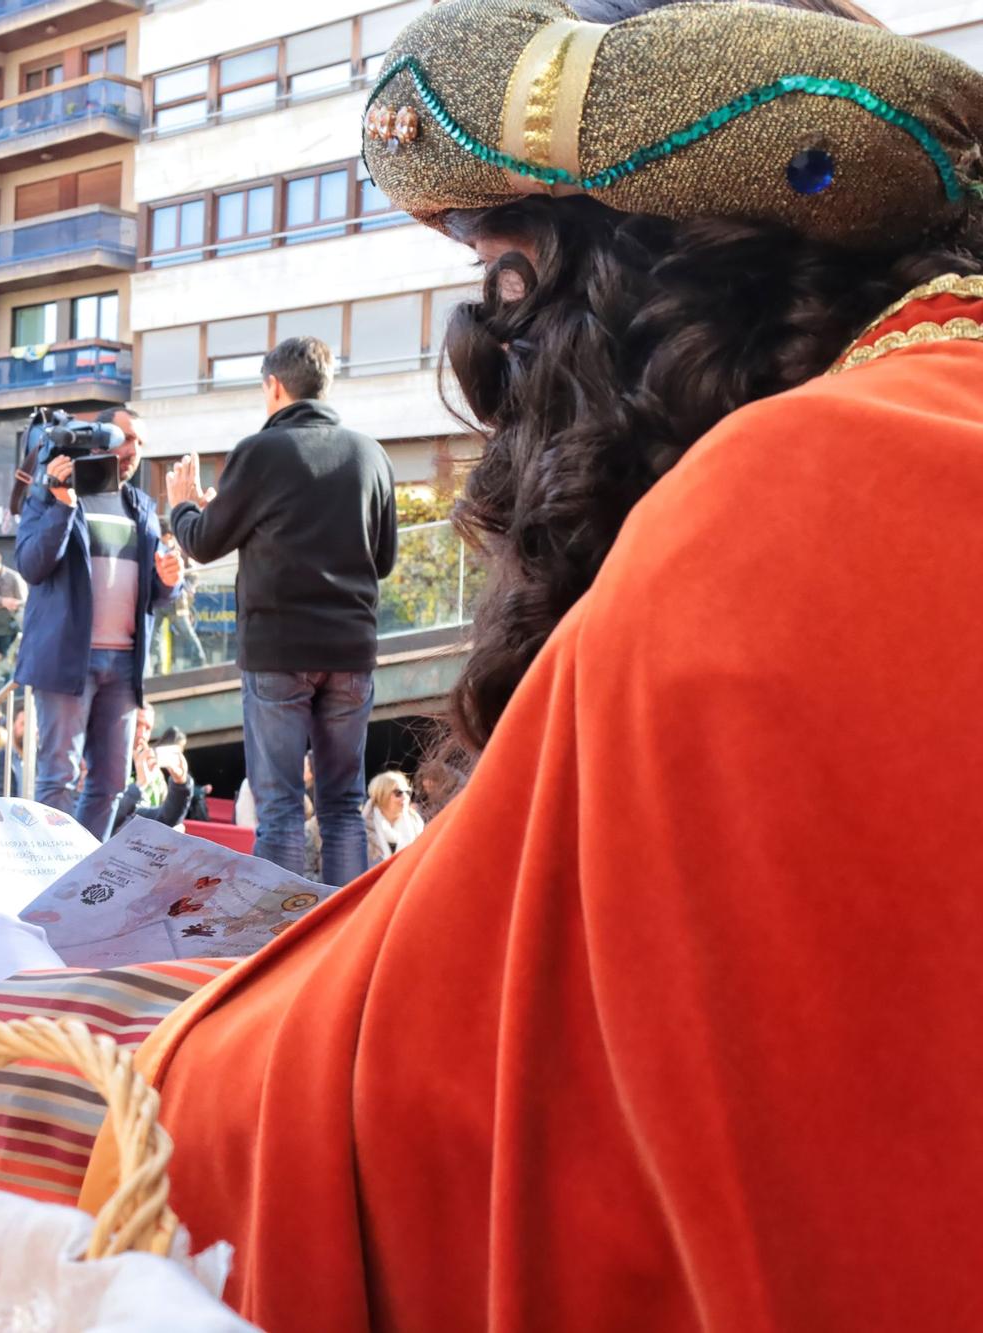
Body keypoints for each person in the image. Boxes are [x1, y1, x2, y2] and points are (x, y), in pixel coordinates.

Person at [80, 1, 983, 1326]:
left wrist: (139, 1087)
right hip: (345, 647)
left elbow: (489, 1109)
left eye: (510, 285)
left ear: (634, 295)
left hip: (274, 657)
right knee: (328, 814)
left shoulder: (809, 496)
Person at [167, 336, 396, 884]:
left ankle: (281, 948)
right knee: (342, 806)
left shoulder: (260, 452)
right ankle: (340, 941)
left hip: (278, 653)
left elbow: (203, 542)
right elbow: (383, 560)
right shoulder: (372, 454)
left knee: (281, 809)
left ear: (274, 386)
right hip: (350, 651)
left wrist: (181, 504)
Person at [14, 406, 182, 834]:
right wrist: (62, 506)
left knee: (108, 785)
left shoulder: (141, 505)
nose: (133, 450)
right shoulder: (50, 492)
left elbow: (156, 589)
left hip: (124, 667)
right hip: (68, 660)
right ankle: (50, 884)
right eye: (125, 438)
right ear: (99, 437)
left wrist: (169, 583)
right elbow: (32, 565)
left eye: (141, 443)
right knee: (59, 781)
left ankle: (81, 887)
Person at [151, 530, 207, 671]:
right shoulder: (155, 550)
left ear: (169, 537)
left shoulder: (181, 552)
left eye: (166, 537)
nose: (165, 540)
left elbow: (193, 575)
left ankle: (200, 661)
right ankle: (157, 667)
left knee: (187, 632)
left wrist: (182, 587)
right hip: (159, 601)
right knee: (154, 636)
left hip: (177, 603)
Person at [362, 770, 424, 866]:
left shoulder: (416, 824)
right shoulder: (363, 829)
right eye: (398, 793)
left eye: (407, 792)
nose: (405, 797)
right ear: (382, 795)